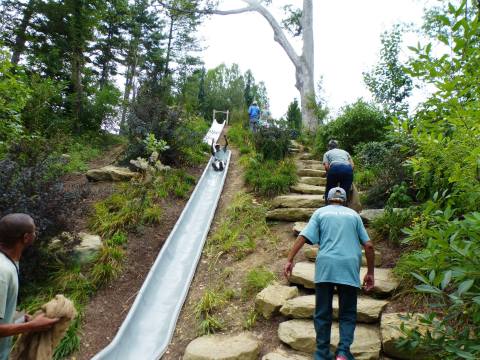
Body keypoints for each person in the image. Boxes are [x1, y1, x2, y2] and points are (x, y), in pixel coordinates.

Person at [284, 187, 375, 360]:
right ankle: (342, 352)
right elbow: (369, 246)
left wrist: (289, 260)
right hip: (349, 267)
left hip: (326, 266)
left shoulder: (320, 213)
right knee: (348, 312)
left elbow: (303, 236)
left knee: (322, 312)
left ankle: (321, 353)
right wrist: (370, 272)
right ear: (345, 200)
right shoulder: (354, 216)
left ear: (328, 198)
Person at [0, 213, 59, 360]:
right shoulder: (2, 272)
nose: (36, 234)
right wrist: (32, 326)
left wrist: (20, 318)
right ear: (26, 238)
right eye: (34, 231)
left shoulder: (8, 262)